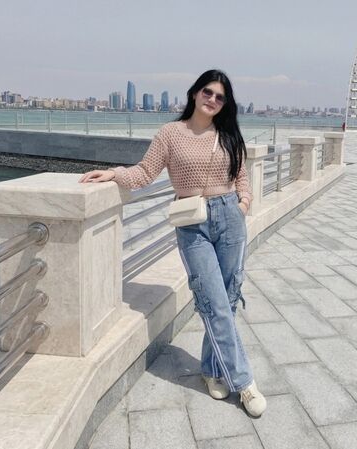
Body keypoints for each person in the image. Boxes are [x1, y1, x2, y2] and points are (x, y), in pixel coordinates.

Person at [79, 69, 267, 418]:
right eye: (207, 92)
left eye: (220, 97)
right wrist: (114, 174)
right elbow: (145, 172)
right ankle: (244, 383)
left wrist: (243, 203)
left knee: (226, 300)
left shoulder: (227, 133)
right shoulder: (170, 133)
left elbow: (241, 174)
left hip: (230, 218)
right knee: (213, 301)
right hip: (192, 224)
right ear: (195, 93)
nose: (212, 100)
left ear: (225, 103)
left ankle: (211, 370)